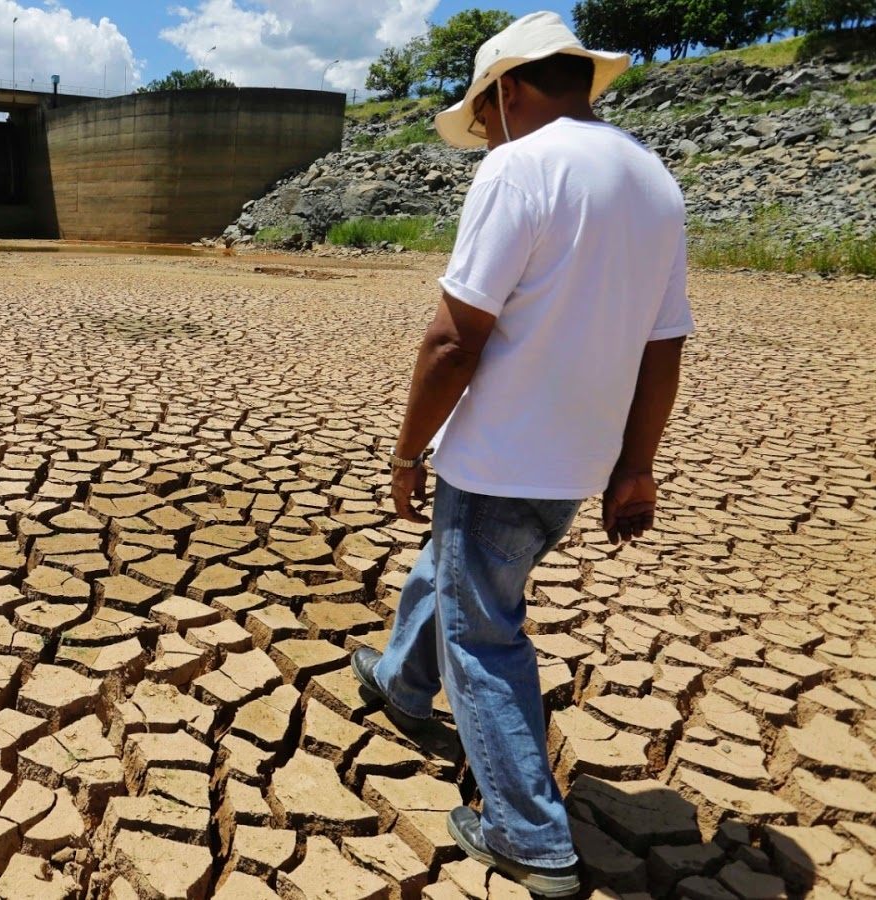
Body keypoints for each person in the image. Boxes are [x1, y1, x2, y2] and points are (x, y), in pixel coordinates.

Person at [348, 11, 693, 898]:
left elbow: (453, 343)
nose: (485, 133)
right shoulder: (653, 180)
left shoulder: (519, 167)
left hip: (499, 460)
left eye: (484, 113)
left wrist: (405, 452)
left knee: (485, 635)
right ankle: (398, 681)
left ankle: (527, 832)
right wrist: (636, 465)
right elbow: (664, 346)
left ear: (505, 91)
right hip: (577, 467)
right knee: (458, 572)